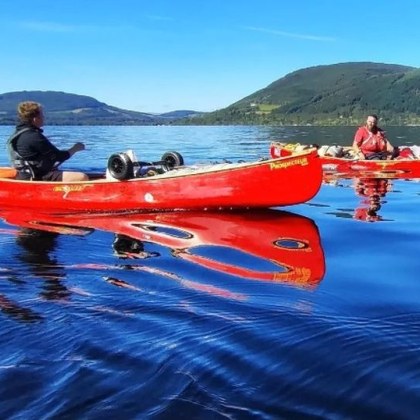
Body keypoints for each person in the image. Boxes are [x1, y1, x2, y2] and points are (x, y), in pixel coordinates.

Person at [7, 101, 88, 181]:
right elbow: (59, 157)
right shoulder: (33, 136)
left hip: (24, 175)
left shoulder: (19, 133)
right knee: (82, 177)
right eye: (42, 115)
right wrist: (75, 148)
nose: (43, 118)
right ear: (35, 119)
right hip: (35, 177)